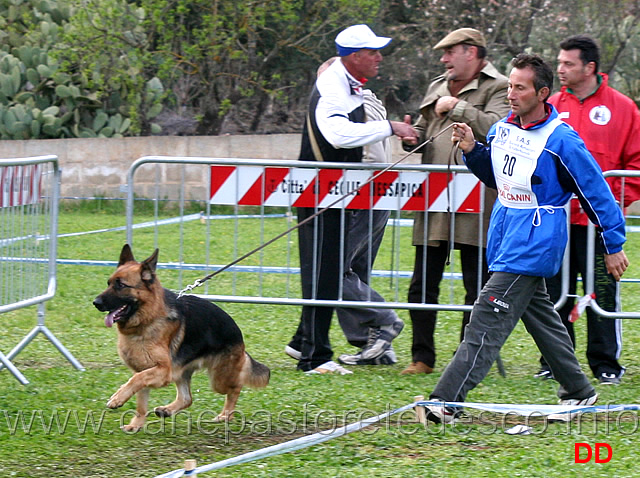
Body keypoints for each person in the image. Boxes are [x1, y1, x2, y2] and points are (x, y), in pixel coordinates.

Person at [427, 53, 628, 424]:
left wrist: (613, 244)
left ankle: (446, 402)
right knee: (542, 319)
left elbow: (596, 192)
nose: (512, 93)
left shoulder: (563, 141)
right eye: (510, 86)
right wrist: (473, 149)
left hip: (535, 241)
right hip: (505, 235)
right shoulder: (505, 127)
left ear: (542, 93)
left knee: (486, 317)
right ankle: (579, 393)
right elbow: (498, 178)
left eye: (520, 88)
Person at [290, 25, 417, 374]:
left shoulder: (348, 84)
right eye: (373, 52)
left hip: (334, 192)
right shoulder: (333, 87)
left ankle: (310, 348)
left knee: (327, 272)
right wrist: (390, 127)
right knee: (323, 273)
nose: (379, 58)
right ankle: (314, 356)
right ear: (353, 56)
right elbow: (337, 133)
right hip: (321, 193)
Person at [401, 28, 510, 375]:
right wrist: (409, 135)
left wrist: (458, 107)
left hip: (479, 200)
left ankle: (469, 358)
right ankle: (421, 357)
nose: (444, 59)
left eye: (450, 52)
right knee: (422, 283)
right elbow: (424, 129)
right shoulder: (437, 85)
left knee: (476, 285)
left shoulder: (499, 86)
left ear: (472, 52)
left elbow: (498, 127)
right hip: (434, 201)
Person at [533, 35, 640, 385]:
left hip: (597, 225)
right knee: (553, 294)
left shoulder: (623, 108)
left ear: (589, 67)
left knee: (602, 293)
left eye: (568, 64)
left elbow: (635, 166)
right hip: (555, 220)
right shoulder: (547, 106)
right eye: (559, 63)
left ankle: (605, 362)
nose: (560, 69)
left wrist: (611, 204)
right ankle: (553, 361)